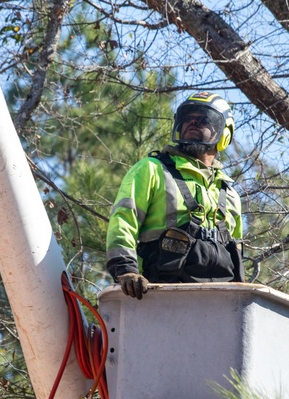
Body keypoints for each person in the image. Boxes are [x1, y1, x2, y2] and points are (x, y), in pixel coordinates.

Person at [105, 92, 244, 299]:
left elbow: (237, 248)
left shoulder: (229, 192)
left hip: (218, 302)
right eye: (187, 118)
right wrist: (126, 270)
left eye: (203, 119)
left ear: (224, 134)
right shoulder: (152, 169)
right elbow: (124, 220)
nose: (193, 123)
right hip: (163, 295)